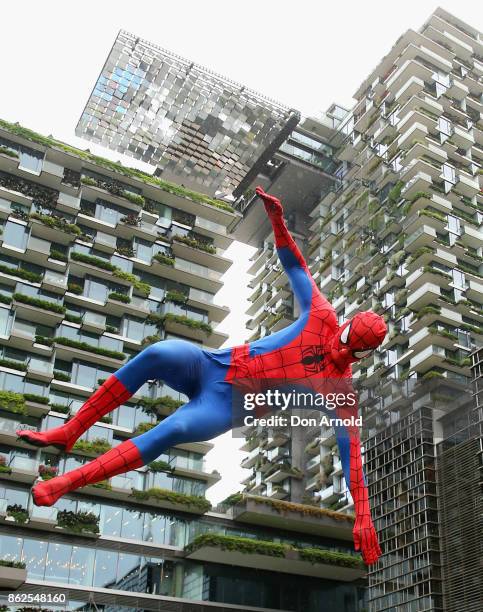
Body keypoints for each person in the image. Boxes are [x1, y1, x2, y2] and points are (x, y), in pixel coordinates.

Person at [18, 187, 386, 565]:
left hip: (225, 405)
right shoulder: (321, 315)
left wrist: (363, 516)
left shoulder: (339, 392)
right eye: (344, 340)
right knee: (158, 353)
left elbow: (351, 456)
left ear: (363, 356)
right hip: (214, 364)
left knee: (173, 430)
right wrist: (277, 221)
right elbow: (294, 264)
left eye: (353, 351)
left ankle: (66, 482)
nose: (341, 351)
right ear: (345, 325)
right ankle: (69, 431)